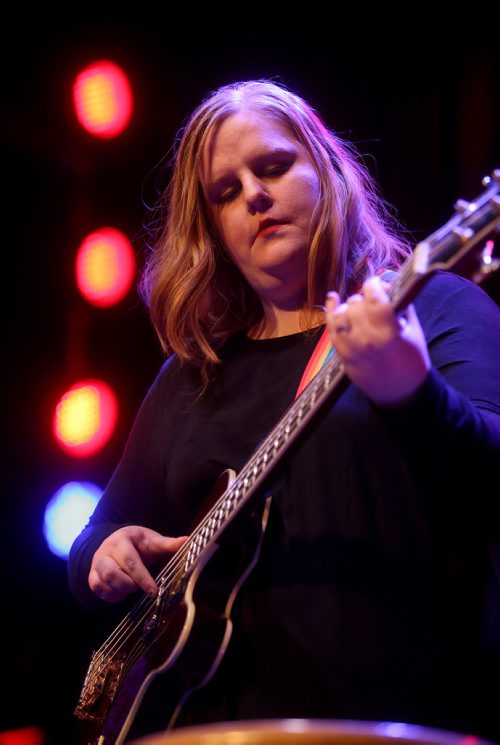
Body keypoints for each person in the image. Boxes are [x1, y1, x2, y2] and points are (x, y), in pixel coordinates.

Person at [68, 79, 500, 741]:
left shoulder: (435, 308)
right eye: (226, 192)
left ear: (326, 170)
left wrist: (411, 393)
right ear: (212, 228)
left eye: (272, 167)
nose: (255, 197)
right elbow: (100, 530)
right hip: (201, 726)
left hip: (390, 721)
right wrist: (103, 549)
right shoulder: (192, 377)